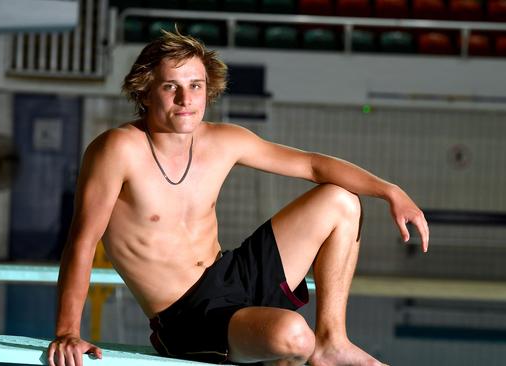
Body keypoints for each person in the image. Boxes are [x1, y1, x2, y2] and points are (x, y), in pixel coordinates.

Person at [47, 29, 429, 366]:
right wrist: (67, 330)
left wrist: (389, 191)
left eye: (195, 85)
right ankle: (288, 348)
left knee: (341, 201)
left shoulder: (224, 140)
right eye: (171, 86)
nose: (186, 99)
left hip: (231, 274)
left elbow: (313, 166)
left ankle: (333, 341)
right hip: (186, 316)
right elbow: (81, 242)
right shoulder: (117, 149)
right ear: (145, 91)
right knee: (294, 337)